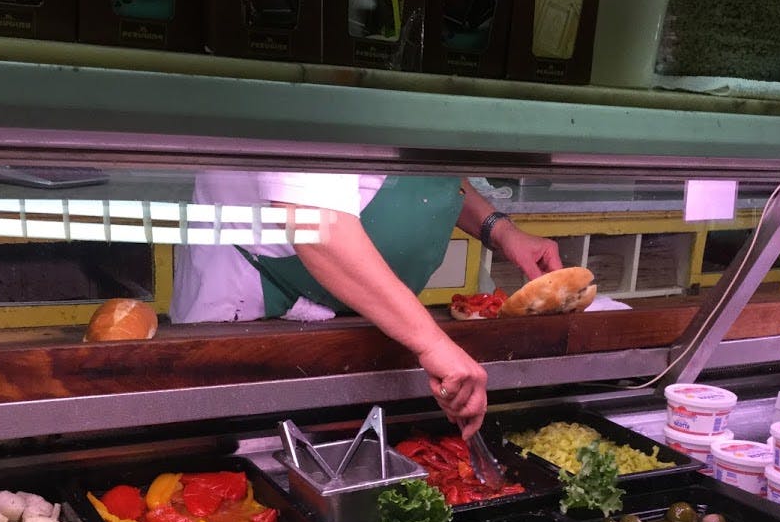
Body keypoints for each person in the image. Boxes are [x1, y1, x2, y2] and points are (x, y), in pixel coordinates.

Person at [171, 171, 562, 438]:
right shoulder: (338, 73)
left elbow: (433, 173)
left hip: (361, 306)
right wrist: (432, 343)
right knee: (248, 453)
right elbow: (315, 223)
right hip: (255, 298)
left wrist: (500, 230)